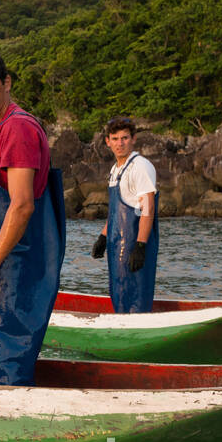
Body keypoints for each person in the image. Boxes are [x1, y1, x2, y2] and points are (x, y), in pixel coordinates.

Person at [0, 48, 65, 386]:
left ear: (6, 83)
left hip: (12, 269)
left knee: (2, 357)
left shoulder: (17, 129)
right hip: (7, 265)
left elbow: (22, 206)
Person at [91, 117, 158, 313]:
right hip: (115, 242)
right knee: (119, 290)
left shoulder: (140, 167)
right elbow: (115, 211)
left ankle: (136, 328)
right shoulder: (116, 169)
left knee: (135, 294)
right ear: (107, 141)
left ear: (133, 139)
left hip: (133, 242)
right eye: (115, 138)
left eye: (125, 138)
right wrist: (103, 237)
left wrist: (140, 246)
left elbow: (148, 209)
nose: (120, 143)